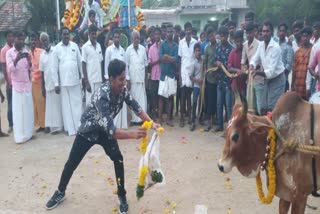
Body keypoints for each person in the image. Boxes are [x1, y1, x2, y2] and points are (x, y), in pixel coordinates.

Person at [45, 59, 160, 213]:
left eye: (124, 78)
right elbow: (112, 130)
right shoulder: (102, 95)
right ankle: (60, 192)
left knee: (118, 159)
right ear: (111, 79)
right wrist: (133, 134)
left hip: (105, 131)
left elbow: (137, 108)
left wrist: (152, 123)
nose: (123, 82)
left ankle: (121, 195)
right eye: (120, 79)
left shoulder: (123, 90)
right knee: (72, 162)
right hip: (88, 131)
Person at [52, 27, 83, 136]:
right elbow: (54, 68)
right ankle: (71, 129)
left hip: (75, 81)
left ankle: (79, 127)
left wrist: (83, 77)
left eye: (67, 34)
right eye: (64, 34)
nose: (66, 36)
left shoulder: (75, 46)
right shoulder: (56, 49)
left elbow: (80, 63)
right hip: (64, 83)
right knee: (67, 107)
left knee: (77, 105)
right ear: (61, 35)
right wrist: (56, 83)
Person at [250, 21, 286, 114]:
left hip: (277, 79)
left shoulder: (276, 47)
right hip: (267, 79)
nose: (265, 33)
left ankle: (273, 128)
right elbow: (255, 59)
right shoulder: (261, 45)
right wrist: (252, 65)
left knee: (272, 108)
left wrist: (257, 72)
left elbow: (270, 72)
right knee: (263, 107)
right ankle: (267, 127)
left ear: (272, 33)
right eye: (263, 31)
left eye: (267, 31)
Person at [6, 31, 34, 143]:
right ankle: (20, 136)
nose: (22, 42)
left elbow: (30, 69)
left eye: (23, 40)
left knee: (27, 111)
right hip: (17, 86)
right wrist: (17, 59)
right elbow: (10, 69)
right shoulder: (9, 53)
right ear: (15, 40)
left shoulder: (26, 51)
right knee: (18, 112)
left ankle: (28, 134)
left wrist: (29, 62)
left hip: (26, 85)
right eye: (20, 39)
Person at [39, 32, 63, 134]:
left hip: (57, 83)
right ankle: (52, 126)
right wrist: (43, 88)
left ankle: (59, 126)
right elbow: (42, 72)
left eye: (46, 39)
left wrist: (58, 82)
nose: (45, 42)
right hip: (48, 83)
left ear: (49, 39)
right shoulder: (42, 56)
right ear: (41, 42)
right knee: (50, 107)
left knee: (58, 105)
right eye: (43, 40)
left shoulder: (55, 51)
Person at [105, 29, 128, 129]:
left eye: (118, 37)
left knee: (122, 100)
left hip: (122, 81)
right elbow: (106, 66)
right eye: (115, 37)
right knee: (113, 102)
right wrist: (107, 79)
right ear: (112, 38)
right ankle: (114, 125)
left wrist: (126, 79)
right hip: (113, 81)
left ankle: (123, 125)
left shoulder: (123, 50)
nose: (117, 39)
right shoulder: (109, 50)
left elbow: (125, 67)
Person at [125, 30, 148, 125]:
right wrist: (128, 80)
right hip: (133, 80)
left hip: (141, 79)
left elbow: (146, 65)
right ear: (132, 39)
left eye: (138, 38)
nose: (137, 40)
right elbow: (126, 66)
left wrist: (146, 78)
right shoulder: (128, 50)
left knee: (142, 101)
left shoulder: (143, 49)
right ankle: (135, 120)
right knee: (134, 100)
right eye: (135, 38)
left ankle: (142, 119)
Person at [214, 26, 234, 132]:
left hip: (228, 82)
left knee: (228, 106)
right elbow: (214, 60)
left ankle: (229, 128)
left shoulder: (231, 49)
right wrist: (216, 63)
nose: (222, 38)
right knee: (219, 104)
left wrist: (224, 65)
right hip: (219, 81)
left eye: (224, 35)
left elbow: (232, 65)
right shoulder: (217, 48)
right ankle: (219, 125)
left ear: (227, 36)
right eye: (221, 36)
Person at [158, 24, 178, 127]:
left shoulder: (175, 46)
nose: (169, 33)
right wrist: (169, 58)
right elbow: (160, 58)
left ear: (173, 33)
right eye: (168, 32)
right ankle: (160, 118)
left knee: (170, 98)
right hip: (163, 74)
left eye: (171, 32)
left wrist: (167, 57)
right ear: (165, 33)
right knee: (161, 97)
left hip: (171, 74)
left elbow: (176, 60)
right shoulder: (162, 44)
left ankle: (169, 118)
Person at [178, 22, 197, 127]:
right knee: (182, 97)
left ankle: (190, 117)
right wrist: (180, 76)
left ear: (191, 30)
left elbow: (196, 57)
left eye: (190, 29)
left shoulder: (195, 42)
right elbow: (180, 59)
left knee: (189, 97)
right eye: (186, 29)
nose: (188, 31)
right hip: (183, 72)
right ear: (184, 31)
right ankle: (181, 118)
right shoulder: (181, 42)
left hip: (192, 73)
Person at [241, 23, 262, 114]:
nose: (248, 35)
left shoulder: (259, 44)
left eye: (250, 33)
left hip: (259, 78)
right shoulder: (245, 45)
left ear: (254, 32)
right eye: (247, 33)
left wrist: (253, 69)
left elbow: (260, 62)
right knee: (250, 105)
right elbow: (243, 61)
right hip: (249, 78)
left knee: (259, 105)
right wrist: (244, 69)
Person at [81, 24, 104, 106]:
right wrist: (86, 82)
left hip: (99, 80)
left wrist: (102, 78)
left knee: (99, 102)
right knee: (90, 104)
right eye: (92, 34)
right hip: (90, 81)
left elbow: (101, 62)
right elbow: (83, 64)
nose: (94, 36)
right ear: (89, 34)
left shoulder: (99, 46)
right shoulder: (85, 47)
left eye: (95, 33)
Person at [29, 32, 46, 133]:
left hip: (41, 81)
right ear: (29, 42)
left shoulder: (41, 52)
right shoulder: (27, 53)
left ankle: (44, 124)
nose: (33, 42)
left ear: (37, 41)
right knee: (35, 104)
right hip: (32, 83)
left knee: (41, 103)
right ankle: (39, 124)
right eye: (31, 40)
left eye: (34, 40)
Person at [292, 27, 313, 100]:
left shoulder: (313, 50)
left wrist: (309, 87)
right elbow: (294, 69)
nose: (304, 38)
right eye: (303, 36)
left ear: (310, 37)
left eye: (306, 36)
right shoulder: (297, 52)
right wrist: (292, 85)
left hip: (307, 87)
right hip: (298, 86)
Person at [203, 27, 217, 131]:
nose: (211, 37)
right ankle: (209, 121)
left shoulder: (220, 45)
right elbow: (205, 63)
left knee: (217, 100)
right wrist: (205, 72)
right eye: (209, 36)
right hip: (209, 78)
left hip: (219, 77)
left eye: (212, 35)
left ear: (215, 34)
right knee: (209, 100)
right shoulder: (207, 48)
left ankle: (216, 119)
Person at [0, 30, 14, 133]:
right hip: (10, 82)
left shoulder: (14, 48)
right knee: (10, 104)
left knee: (16, 103)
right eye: (9, 37)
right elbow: (4, 67)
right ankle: (10, 125)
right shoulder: (4, 50)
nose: (11, 38)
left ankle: (16, 122)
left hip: (17, 81)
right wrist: (8, 82)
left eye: (12, 37)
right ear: (6, 38)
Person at [147, 27, 161, 120]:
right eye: (155, 34)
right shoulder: (151, 48)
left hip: (162, 75)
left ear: (160, 35)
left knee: (161, 96)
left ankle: (160, 115)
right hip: (153, 76)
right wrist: (157, 61)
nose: (156, 36)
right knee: (153, 96)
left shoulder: (163, 46)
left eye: (158, 34)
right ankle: (154, 113)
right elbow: (149, 63)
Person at [190, 43, 203, 131]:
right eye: (196, 51)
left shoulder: (204, 60)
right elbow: (190, 76)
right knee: (194, 102)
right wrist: (197, 80)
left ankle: (200, 118)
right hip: (196, 86)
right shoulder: (193, 63)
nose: (198, 52)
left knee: (202, 102)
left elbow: (205, 69)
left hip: (203, 86)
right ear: (194, 52)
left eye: (199, 51)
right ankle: (192, 121)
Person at [277, 23, 294, 91]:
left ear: (286, 32)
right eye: (280, 31)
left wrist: (281, 74)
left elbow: (289, 64)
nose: (281, 33)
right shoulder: (274, 44)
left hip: (283, 79)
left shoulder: (288, 46)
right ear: (278, 32)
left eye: (283, 31)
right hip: (273, 78)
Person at [228, 30, 246, 96]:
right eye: (237, 42)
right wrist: (237, 70)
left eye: (241, 41)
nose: (239, 44)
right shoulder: (232, 53)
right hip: (235, 85)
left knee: (244, 105)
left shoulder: (246, 51)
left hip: (245, 84)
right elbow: (229, 68)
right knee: (235, 105)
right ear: (235, 42)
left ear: (243, 40)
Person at [306, 22, 320, 98]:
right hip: (314, 77)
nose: (314, 31)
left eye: (315, 29)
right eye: (313, 29)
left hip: (317, 79)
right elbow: (310, 66)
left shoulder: (318, 46)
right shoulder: (313, 43)